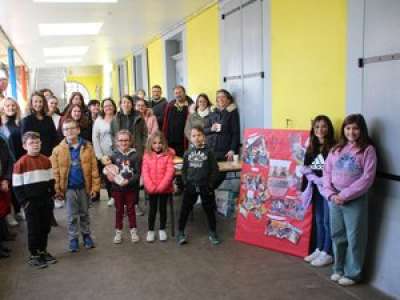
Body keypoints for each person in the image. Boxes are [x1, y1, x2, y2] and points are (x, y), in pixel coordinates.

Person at [323, 114, 377, 286]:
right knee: (337, 235)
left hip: (355, 200)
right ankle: (338, 269)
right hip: (334, 199)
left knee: (355, 237)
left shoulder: (368, 150)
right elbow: (326, 172)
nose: (351, 132)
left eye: (355, 128)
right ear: (343, 130)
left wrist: (344, 195)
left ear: (361, 130)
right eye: (348, 128)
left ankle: (353, 273)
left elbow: (367, 178)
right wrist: (331, 194)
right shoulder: (336, 149)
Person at [51, 119, 100, 252]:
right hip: (69, 189)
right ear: (63, 132)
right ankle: (73, 238)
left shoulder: (87, 147)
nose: (69, 131)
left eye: (72, 128)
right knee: (72, 216)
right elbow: (55, 172)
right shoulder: (57, 151)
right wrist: (57, 189)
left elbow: (94, 169)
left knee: (84, 213)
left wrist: (95, 187)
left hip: (84, 187)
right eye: (66, 129)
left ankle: (86, 235)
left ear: (78, 130)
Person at [13, 132, 56, 268]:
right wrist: (25, 202)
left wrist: (51, 196)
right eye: (32, 143)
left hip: (45, 201)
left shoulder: (46, 160)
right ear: (25, 146)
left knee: (45, 228)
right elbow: (17, 187)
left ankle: (43, 251)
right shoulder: (20, 164)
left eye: (37, 142)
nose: (35, 145)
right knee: (34, 229)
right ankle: (34, 255)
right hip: (31, 203)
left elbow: (51, 180)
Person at [177, 126, 220, 246]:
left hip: (205, 186)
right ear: (190, 138)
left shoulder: (209, 152)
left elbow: (215, 170)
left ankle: (213, 232)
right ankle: (181, 232)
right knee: (185, 210)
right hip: (190, 186)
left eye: (199, 135)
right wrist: (185, 183)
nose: (197, 138)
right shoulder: (187, 153)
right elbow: (184, 170)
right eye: (194, 136)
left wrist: (210, 185)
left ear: (204, 137)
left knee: (209, 210)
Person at [302, 115, 336, 267]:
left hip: (328, 190)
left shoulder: (334, 147)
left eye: (323, 126)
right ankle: (319, 248)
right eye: (316, 127)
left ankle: (327, 252)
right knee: (319, 220)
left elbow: (331, 171)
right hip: (316, 189)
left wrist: (318, 177)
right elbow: (307, 168)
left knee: (328, 222)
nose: (320, 130)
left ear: (329, 128)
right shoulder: (312, 146)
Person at [106, 130, 140, 244]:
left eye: (126, 140)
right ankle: (118, 231)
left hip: (131, 189)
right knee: (119, 210)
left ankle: (133, 230)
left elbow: (138, 174)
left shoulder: (136, 155)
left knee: (131, 209)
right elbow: (108, 170)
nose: (123, 143)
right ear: (116, 142)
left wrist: (129, 181)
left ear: (130, 141)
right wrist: (108, 174)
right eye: (121, 140)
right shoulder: (113, 155)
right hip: (117, 189)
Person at [142, 131, 175, 242]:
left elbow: (170, 171)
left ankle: (162, 229)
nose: (157, 145)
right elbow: (145, 172)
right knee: (152, 210)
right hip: (152, 189)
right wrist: (150, 187)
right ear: (151, 144)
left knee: (162, 209)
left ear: (164, 143)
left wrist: (162, 186)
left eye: (160, 143)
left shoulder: (168, 155)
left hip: (164, 189)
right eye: (154, 143)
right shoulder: (147, 156)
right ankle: (150, 230)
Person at [0, 98, 25, 224]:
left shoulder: (20, 122)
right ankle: (9, 214)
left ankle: (18, 210)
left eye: (13, 105)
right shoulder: (2, 126)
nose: (11, 108)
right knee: (9, 187)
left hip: (22, 159)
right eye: (7, 106)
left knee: (20, 186)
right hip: (10, 161)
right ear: (3, 108)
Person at [92, 98, 117, 207]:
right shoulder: (99, 120)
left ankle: (120, 197)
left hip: (118, 152)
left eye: (110, 105)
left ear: (114, 106)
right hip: (105, 153)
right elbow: (95, 138)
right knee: (108, 176)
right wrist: (100, 155)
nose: (108, 107)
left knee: (119, 174)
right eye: (106, 106)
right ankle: (111, 196)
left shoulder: (118, 118)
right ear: (103, 108)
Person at [20, 92, 58, 157]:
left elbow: (54, 137)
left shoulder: (48, 119)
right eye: (35, 101)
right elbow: (24, 140)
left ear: (44, 103)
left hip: (50, 155)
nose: (38, 104)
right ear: (31, 103)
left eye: (40, 102)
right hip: (34, 155)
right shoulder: (26, 120)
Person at [0, 134, 13, 258]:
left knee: (2, 213)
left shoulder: (2, 141)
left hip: (3, 181)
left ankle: (2, 244)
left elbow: (9, 161)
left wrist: (6, 179)